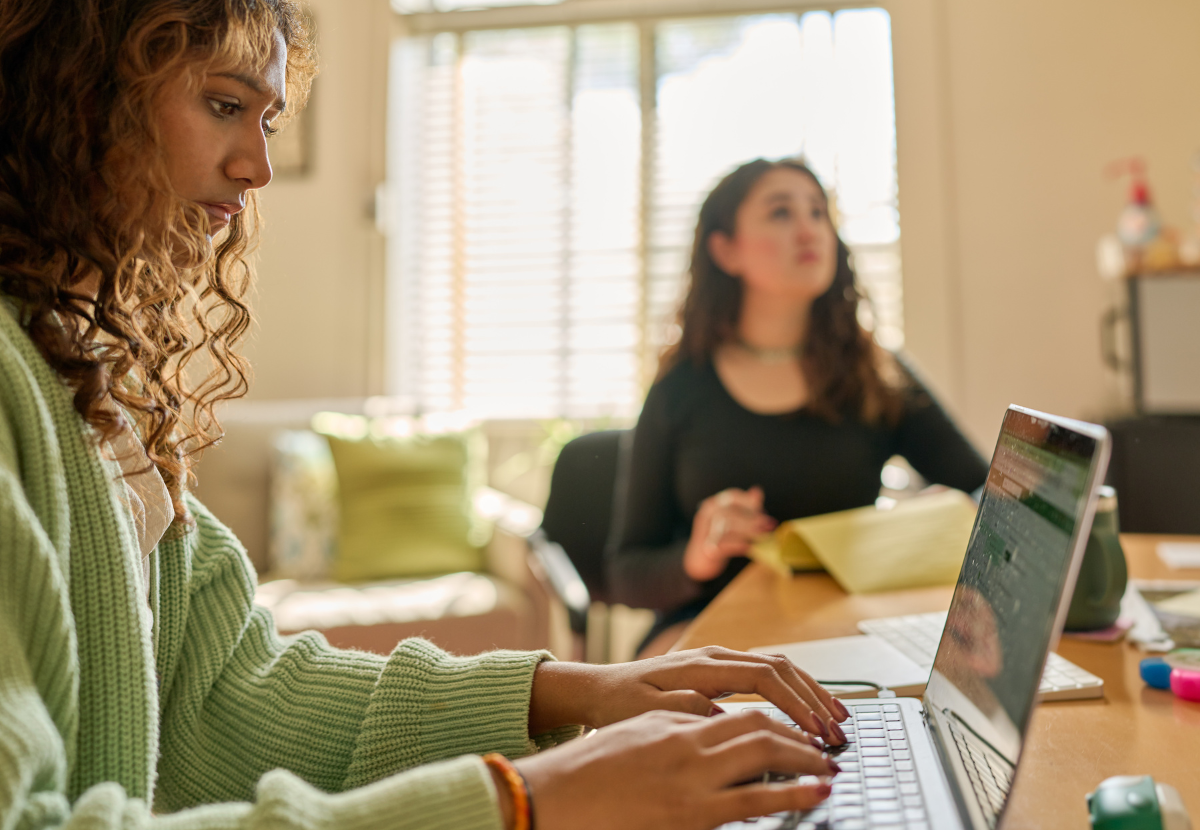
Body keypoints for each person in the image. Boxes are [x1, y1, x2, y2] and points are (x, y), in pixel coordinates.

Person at [0, 3, 853, 829]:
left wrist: (578, 690)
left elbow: (230, 687)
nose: (257, 169)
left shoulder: (96, 380)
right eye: (225, 105)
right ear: (75, 91)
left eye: (268, 122)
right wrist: (523, 803)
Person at [608, 157, 989, 657]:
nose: (809, 229)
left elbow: (986, 491)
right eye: (781, 213)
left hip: (847, 628)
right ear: (726, 250)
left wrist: (930, 521)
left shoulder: (875, 374)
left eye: (818, 212)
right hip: (707, 636)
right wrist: (696, 558)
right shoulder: (680, 387)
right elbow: (626, 571)